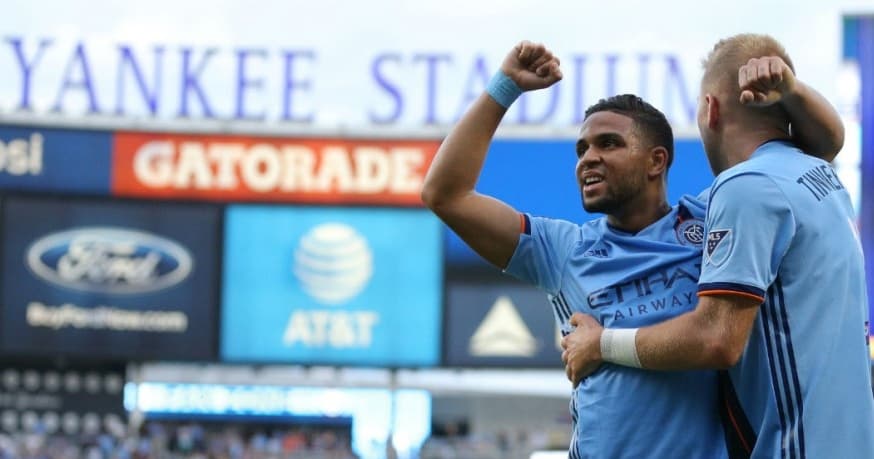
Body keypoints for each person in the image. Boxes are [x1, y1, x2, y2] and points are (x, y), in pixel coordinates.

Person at [421, 39, 844, 458]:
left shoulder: (716, 216)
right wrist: (504, 87)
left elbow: (820, 147)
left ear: (656, 161)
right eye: (582, 149)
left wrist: (792, 89)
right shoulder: (562, 250)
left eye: (609, 144)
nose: (588, 158)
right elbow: (445, 194)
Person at [561, 34, 874, 458]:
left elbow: (716, 338)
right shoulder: (817, 173)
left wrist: (600, 345)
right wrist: (793, 91)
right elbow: (830, 138)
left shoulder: (744, 187)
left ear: (710, 110)